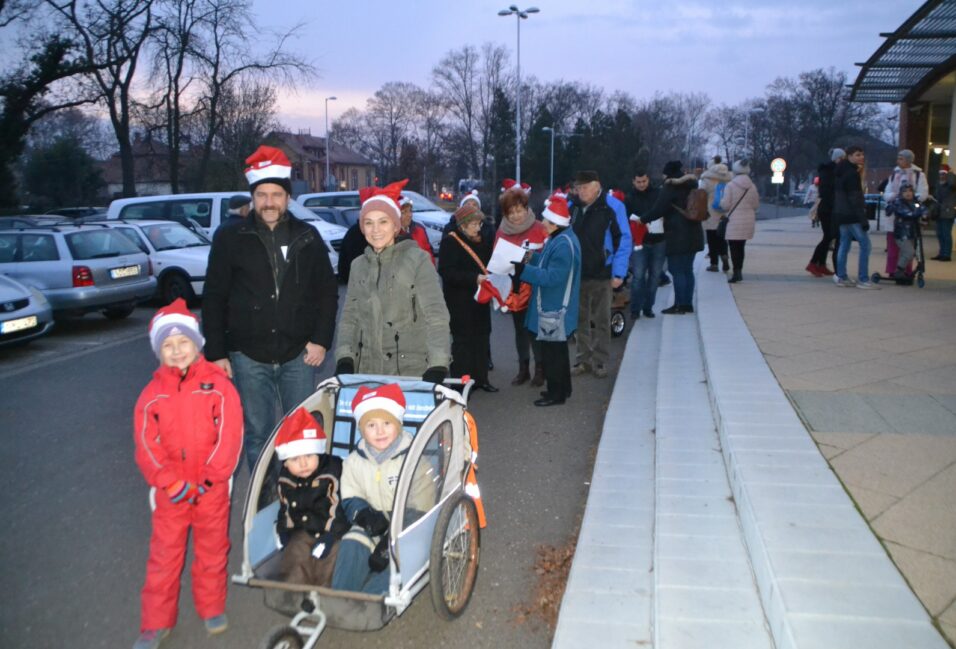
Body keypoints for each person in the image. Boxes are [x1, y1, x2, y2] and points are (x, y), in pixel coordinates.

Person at [202, 145, 339, 472]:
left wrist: (320, 340)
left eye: (276, 194)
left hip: (299, 356)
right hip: (248, 357)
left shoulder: (308, 236)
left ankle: (304, 500)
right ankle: (266, 505)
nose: (269, 202)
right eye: (261, 194)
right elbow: (214, 295)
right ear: (252, 197)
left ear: (287, 197)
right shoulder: (230, 237)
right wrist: (217, 352)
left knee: (302, 432)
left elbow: (327, 292)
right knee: (259, 434)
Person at [133, 299, 243, 649]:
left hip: (212, 488)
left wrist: (212, 478)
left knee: (212, 549)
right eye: (168, 345)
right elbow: (146, 447)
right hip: (171, 491)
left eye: (183, 343)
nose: (177, 350)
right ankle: (155, 622)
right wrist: (169, 482)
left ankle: (211, 606)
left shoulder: (219, 386)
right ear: (158, 351)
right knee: (165, 556)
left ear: (197, 345)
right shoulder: (151, 396)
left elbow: (230, 437)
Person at [334, 180, 451, 381]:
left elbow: (436, 315)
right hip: (367, 371)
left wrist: (438, 363)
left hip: (410, 372)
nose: (375, 229)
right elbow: (349, 318)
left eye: (383, 221)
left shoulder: (418, 260)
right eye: (368, 222)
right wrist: (345, 357)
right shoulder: (358, 265)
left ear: (396, 226)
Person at [331, 384, 435, 593]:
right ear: (362, 429)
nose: (379, 431)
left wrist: (390, 541)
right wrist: (363, 514)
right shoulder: (353, 461)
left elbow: (423, 504)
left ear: (398, 424)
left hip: (406, 525)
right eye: (371, 425)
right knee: (352, 542)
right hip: (373, 521)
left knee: (399, 556)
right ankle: (341, 595)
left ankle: (373, 601)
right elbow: (350, 494)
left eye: (387, 423)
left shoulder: (414, 460)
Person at [518, 194, 582, 406]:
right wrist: (532, 258)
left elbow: (553, 277)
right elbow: (548, 264)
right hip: (553, 308)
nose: (542, 223)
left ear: (556, 223)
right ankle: (563, 389)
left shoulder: (562, 244)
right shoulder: (562, 238)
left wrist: (523, 270)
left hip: (553, 309)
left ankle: (557, 394)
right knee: (558, 351)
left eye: (546, 220)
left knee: (553, 353)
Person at [273, 407, 348, 587]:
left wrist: (330, 536)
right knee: (295, 552)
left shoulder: (333, 472)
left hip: (333, 531)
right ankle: (295, 593)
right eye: (295, 459)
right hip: (304, 530)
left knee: (330, 559)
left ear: (319, 452)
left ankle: (324, 594)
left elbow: (340, 507)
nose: (303, 463)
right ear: (285, 462)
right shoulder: (285, 478)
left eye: (308, 455)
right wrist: (284, 530)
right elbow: (285, 508)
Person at [569, 170, 631, 378]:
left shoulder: (613, 206)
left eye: (585, 187)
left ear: (597, 186)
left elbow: (624, 240)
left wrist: (619, 273)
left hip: (603, 273)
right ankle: (582, 359)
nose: (581, 191)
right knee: (579, 320)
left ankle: (600, 361)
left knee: (602, 320)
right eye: (578, 187)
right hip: (578, 273)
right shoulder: (572, 208)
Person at [438, 201, 497, 392]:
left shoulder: (483, 241)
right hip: (460, 302)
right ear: (462, 225)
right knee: (463, 343)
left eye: (479, 224)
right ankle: (462, 383)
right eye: (474, 224)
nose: (478, 228)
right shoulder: (450, 241)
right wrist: (474, 278)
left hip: (480, 300)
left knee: (481, 339)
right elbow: (447, 272)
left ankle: (481, 379)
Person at [495, 183, 548, 385]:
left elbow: (547, 256)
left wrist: (525, 257)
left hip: (536, 286)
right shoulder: (501, 232)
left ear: (526, 209)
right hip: (514, 288)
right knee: (520, 330)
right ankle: (523, 368)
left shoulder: (539, 228)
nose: (516, 216)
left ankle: (540, 369)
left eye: (519, 211)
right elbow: (497, 258)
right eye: (511, 212)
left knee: (535, 329)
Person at [641, 160, 704, 314]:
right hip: (694, 232)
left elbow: (659, 209)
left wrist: (642, 219)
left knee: (676, 270)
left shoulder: (671, 187)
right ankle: (687, 304)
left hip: (677, 234)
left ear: (668, 173)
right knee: (687, 270)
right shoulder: (692, 185)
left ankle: (679, 305)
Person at [833, 145, 878, 289]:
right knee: (865, 245)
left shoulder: (840, 171)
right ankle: (863, 279)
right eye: (858, 155)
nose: (861, 157)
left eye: (862, 154)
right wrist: (863, 218)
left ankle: (842, 276)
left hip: (841, 213)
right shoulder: (852, 174)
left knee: (844, 244)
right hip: (852, 215)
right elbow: (855, 198)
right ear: (850, 156)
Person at [624, 170, 664, 319]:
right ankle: (635, 309)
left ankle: (648, 307)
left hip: (659, 240)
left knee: (654, 276)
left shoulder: (658, 194)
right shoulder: (629, 198)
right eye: (638, 182)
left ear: (648, 180)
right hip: (639, 242)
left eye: (644, 181)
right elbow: (626, 217)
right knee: (638, 277)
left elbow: (663, 210)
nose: (641, 184)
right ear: (633, 182)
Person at [883, 149, 929, 276]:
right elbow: (886, 193)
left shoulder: (918, 175)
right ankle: (892, 270)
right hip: (895, 216)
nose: (898, 160)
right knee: (892, 247)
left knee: (909, 246)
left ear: (909, 160)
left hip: (910, 216)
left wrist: (911, 199)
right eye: (898, 158)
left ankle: (905, 271)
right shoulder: (894, 174)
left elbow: (923, 193)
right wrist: (895, 196)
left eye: (901, 158)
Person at [719, 160, 761, 283]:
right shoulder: (752, 186)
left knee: (733, 247)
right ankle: (739, 271)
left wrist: (722, 201)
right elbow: (756, 205)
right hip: (748, 220)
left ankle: (736, 273)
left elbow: (725, 205)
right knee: (741, 247)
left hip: (734, 221)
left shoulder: (730, 185)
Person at [806, 148, 844, 276]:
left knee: (828, 237)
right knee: (828, 237)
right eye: (842, 158)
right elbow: (828, 192)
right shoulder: (830, 172)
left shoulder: (829, 171)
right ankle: (813, 263)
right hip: (828, 208)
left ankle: (821, 264)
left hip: (828, 208)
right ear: (838, 158)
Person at [885, 181, 925, 279]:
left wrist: (925, 214)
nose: (908, 193)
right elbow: (906, 213)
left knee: (907, 253)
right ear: (901, 193)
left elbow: (923, 209)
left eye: (910, 191)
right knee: (909, 252)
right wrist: (918, 213)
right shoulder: (899, 203)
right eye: (905, 191)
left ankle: (901, 272)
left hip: (912, 232)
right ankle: (899, 270)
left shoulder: (915, 203)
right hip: (902, 233)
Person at [699, 156, 732, 272]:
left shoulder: (707, 178)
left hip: (710, 211)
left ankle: (714, 264)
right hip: (724, 211)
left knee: (711, 238)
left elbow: (701, 193)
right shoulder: (728, 177)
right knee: (722, 237)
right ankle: (724, 255)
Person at [398, 195, 435, 264]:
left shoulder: (419, 229)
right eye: (404, 212)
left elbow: (429, 254)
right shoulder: (393, 235)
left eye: (410, 211)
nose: (409, 215)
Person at [933, 166, 954, 261]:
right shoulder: (938, 183)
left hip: (948, 211)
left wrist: (950, 174)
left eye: (944, 173)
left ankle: (947, 254)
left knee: (946, 233)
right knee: (940, 233)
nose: (942, 175)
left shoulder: (951, 183)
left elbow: (952, 183)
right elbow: (937, 196)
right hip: (939, 211)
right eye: (940, 173)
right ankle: (941, 253)